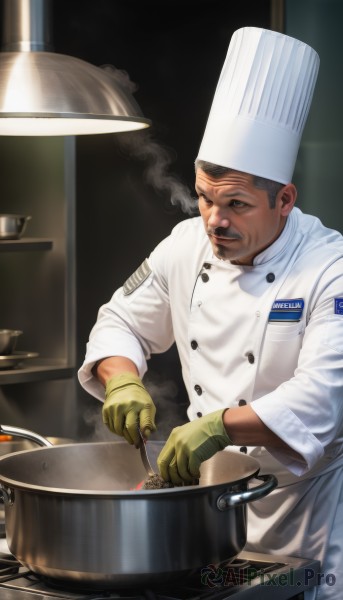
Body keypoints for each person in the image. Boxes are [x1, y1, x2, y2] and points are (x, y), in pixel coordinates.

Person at [78, 27, 343, 600]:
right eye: (204, 196)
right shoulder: (185, 246)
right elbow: (120, 321)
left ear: (285, 200)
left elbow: (322, 398)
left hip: (305, 524)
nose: (214, 221)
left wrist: (218, 426)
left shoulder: (331, 268)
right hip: (214, 522)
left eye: (236, 205)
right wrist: (122, 380)